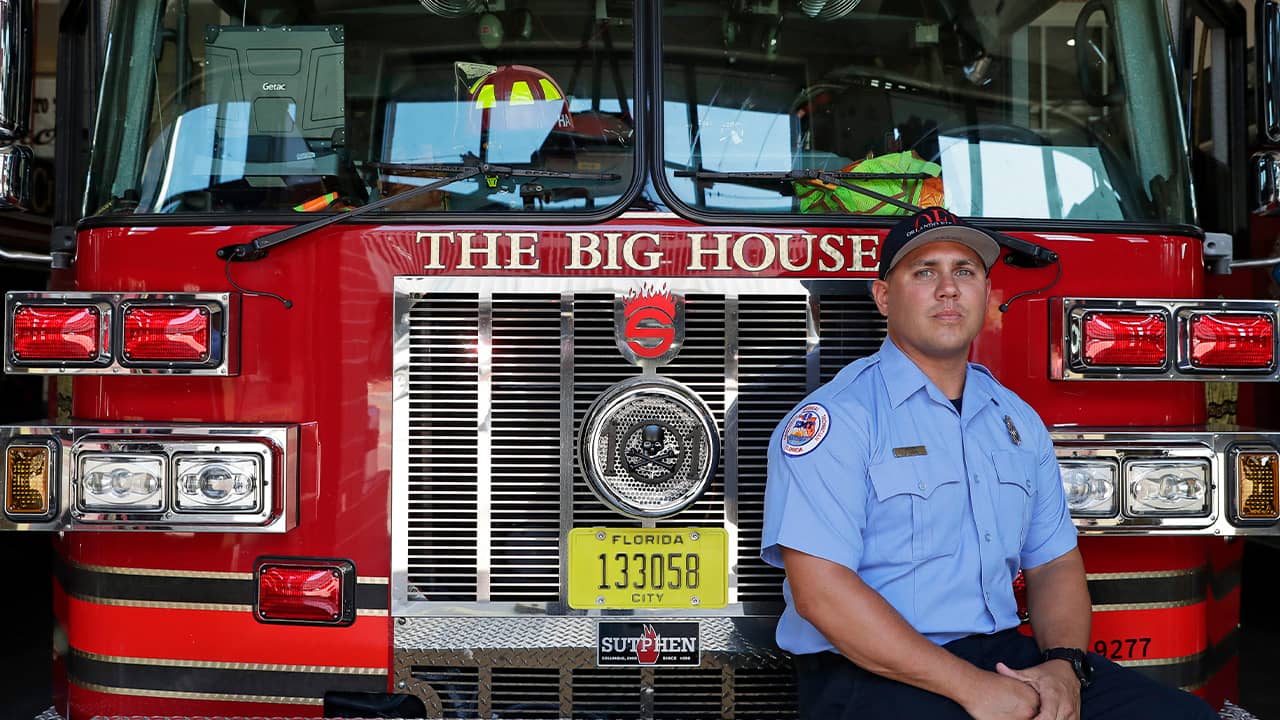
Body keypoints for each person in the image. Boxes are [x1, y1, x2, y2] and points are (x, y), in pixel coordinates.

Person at [760, 207, 1218, 720]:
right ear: (884, 297)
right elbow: (822, 595)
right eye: (924, 271)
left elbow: (1054, 565)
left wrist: (1064, 666)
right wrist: (972, 690)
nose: (949, 288)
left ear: (985, 293)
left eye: (965, 271)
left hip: (1002, 656)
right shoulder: (838, 420)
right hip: (870, 670)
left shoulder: (1016, 420)